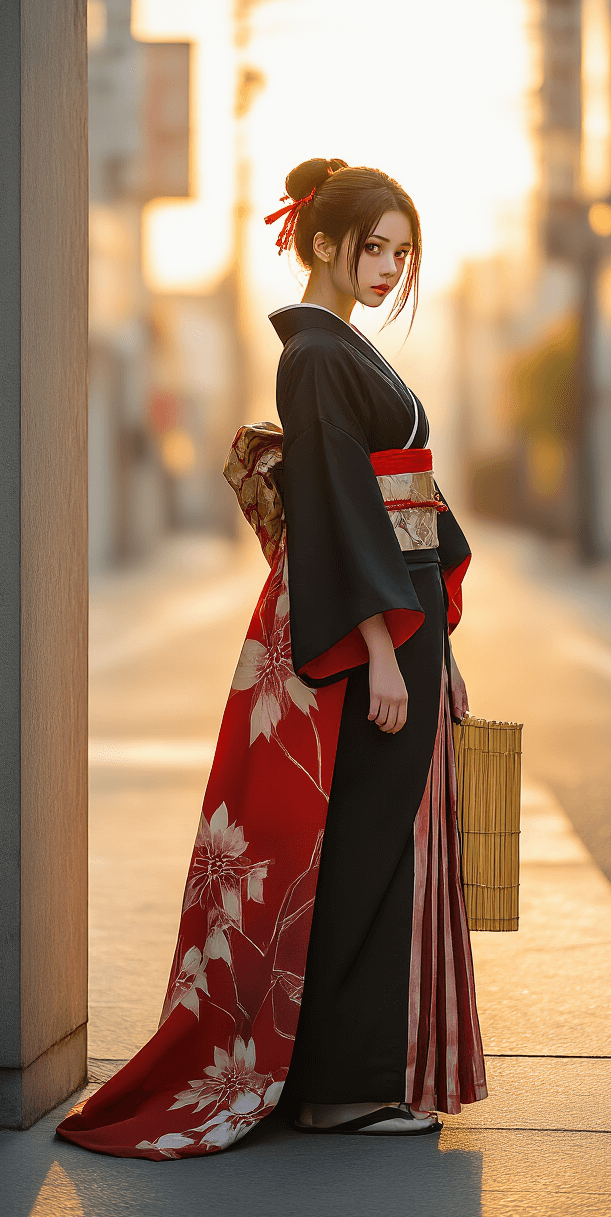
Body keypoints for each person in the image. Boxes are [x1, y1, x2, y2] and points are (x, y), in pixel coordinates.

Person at [56, 158, 487, 1160]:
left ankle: (346, 1075)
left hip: (406, 633)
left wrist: (437, 648)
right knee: (361, 854)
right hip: (373, 641)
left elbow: (403, 506)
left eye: (403, 251)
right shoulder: (315, 358)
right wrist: (381, 649)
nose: (388, 267)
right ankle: (337, 1088)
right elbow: (340, 506)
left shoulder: (343, 354)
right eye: (373, 247)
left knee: (382, 849)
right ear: (326, 247)